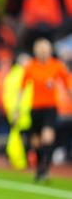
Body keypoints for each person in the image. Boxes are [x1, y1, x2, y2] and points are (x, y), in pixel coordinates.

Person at [14, 38, 72, 181]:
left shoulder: (57, 66)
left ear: (50, 51)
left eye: (45, 49)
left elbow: (67, 85)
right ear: (35, 51)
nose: (42, 52)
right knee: (36, 142)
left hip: (50, 108)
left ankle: (44, 168)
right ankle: (41, 167)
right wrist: (17, 108)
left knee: (48, 137)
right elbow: (22, 88)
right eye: (40, 49)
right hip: (35, 109)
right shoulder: (31, 66)